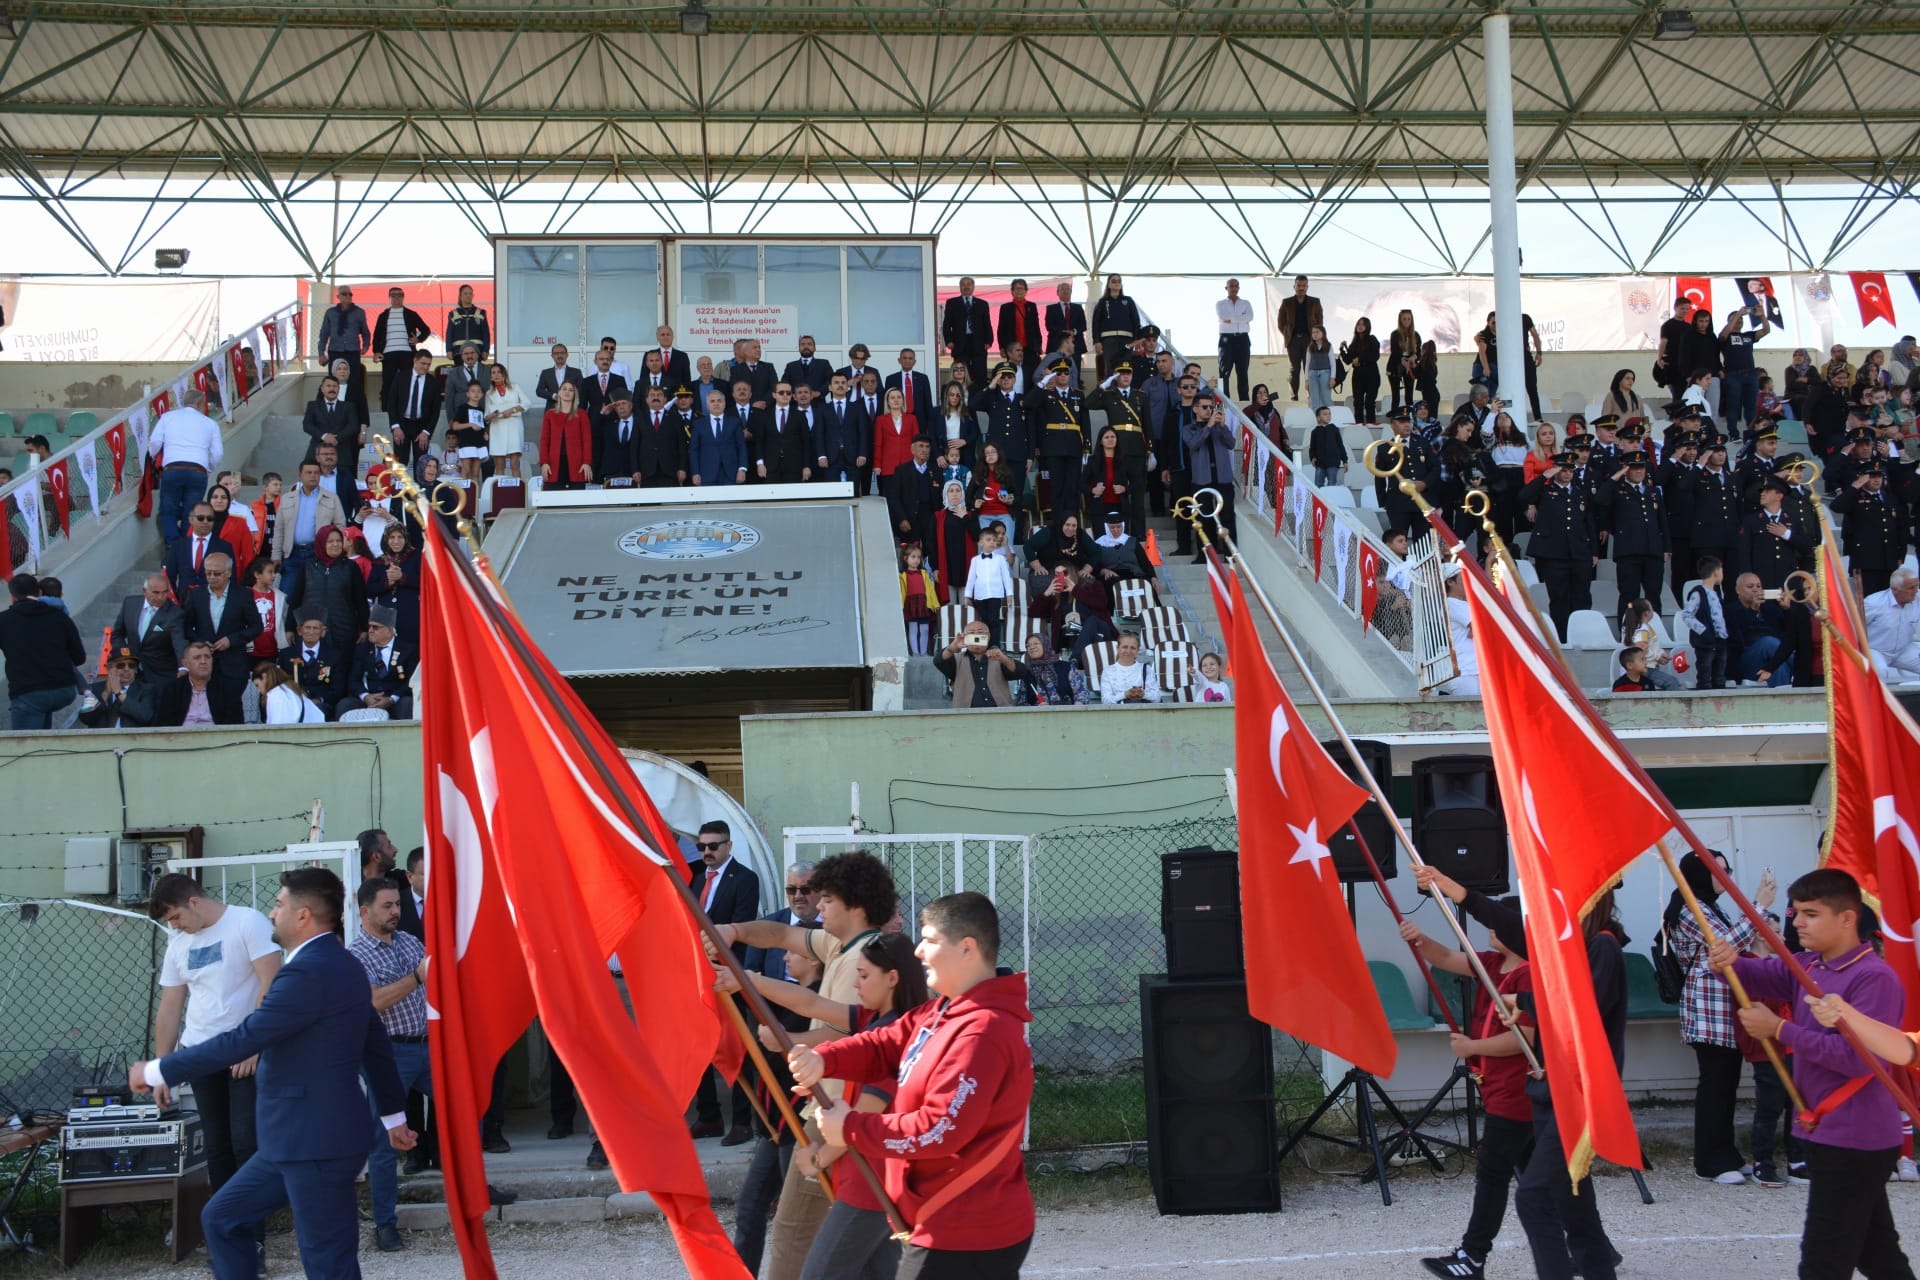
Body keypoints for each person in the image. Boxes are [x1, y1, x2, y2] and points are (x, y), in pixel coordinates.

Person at [129, 869, 412, 1280]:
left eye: (279, 904)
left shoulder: (309, 971)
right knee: (223, 1219)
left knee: (327, 1260)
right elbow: (376, 1045)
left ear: (302, 916)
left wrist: (159, 1068)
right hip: (291, 1141)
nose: (271, 911)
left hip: (316, 1143)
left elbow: (246, 1036)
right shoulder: (341, 964)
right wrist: (393, 1116)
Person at [794, 891, 1035, 1280]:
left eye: (930, 940)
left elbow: (940, 1129)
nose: (919, 952)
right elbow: (885, 1043)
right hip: (943, 1220)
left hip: (965, 1231)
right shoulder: (943, 1010)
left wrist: (852, 1128)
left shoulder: (982, 1031)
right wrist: (825, 1059)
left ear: (967, 948)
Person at [1709, 870, 1911, 1280]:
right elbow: (1754, 976)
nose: (1798, 922)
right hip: (1825, 1131)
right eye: (1796, 912)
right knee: (1877, 1255)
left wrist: (1780, 1030)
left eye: (1811, 913)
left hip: (1856, 1137)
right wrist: (1726, 962)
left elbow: (1859, 1060)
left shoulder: (1873, 977)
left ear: (1848, 919)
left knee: (1823, 1260)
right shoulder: (1808, 965)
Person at [712, 851, 899, 1280]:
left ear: (854, 905)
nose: (817, 907)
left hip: (838, 1108)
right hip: (832, 1108)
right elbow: (779, 934)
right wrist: (733, 930)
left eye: (827, 899)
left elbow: (852, 1036)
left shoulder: (863, 960)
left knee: (795, 1230)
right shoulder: (840, 943)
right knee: (868, 1246)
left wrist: (790, 1040)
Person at [147, 874, 281, 1266]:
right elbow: (170, 1008)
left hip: (244, 1052)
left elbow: (271, 983)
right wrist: (162, 1068)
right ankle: (228, 1239)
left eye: (174, 916)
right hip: (201, 1053)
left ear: (194, 902)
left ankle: (253, 1241)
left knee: (246, 1145)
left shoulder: (247, 922)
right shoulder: (178, 944)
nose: (173, 925)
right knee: (218, 1149)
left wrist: (255, 1043)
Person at [1403, 900, 1532, 1280]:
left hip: (1517, 1091)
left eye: (1499, 925)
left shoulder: (1530, 976)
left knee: (1493, 1174)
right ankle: (1592, 1247)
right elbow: (1444, 956)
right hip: (1498, 1089)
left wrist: (1472, 1048)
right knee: (1542, 1175)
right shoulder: (1493, 964)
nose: (1492, 930)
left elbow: (1523, 1039)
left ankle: (1472, 1256)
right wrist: (1419, 939)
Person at [1664, 850, 1775, 1182]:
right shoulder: (1689, 908)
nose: (1725, 875)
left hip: (1727, 1006)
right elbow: (1724, 945)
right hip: (1708, 1008)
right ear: (1698, 873)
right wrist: (1758, 906)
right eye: (1717, 869)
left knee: (1727, 1084)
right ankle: (1709, 1161)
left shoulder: (1711, 906)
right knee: (1715, 1084)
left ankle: (1726, 1153)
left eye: (1727, 868)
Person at [346, 876, 432, 1253]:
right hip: (388, 1055)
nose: (396, 911)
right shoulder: (354, 955)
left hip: (429, 1048)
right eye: (387, 906)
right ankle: (385, 1223)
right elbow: (374, 1002)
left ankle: (474, 1192)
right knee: (385, 1143)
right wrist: (416, 977)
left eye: (397, 904)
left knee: (465, 1109)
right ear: (364, 911)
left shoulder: (411, 942)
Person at [689, 820, 762, 1146]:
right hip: (697, 975)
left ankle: (743, 1121)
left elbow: (740, 926)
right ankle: (709, 1116)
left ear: (728, 846)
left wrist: (712, 958)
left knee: (737, 1047)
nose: (706, 852)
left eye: (713, 846)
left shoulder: (745, 879)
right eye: (702, 846)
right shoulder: (691, 875)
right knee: (700, 1047)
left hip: (727, 974)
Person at [0, 574, 84, 729]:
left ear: (13, 597)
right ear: (39, 592)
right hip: (63, 690)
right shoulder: (60, 617)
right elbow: (79, 658)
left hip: (28, 692)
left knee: (25, 750)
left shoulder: (4, 620)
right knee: (43, 743)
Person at [150, 389, 225, 550]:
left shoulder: (168, 418)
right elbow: (218, 453)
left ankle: (172, 544)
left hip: (173, 468)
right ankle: (187, 545)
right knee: (191, 511)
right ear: (200, 403)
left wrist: (153, 456)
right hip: (198, 471)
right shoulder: (210, 423)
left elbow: (155, 442)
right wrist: (208, 467)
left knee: (168, 509)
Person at [338, 602, 414, 720]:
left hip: (395, 699)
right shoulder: (362, 649)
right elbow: (353, 680)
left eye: (376, 627)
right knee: (345, 704)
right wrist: (365, 696)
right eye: (370, 626)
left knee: (408, 703)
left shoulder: (407, 650)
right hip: (370, 698)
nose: (371, 630)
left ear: (389, 630)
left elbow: (410, 681)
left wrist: (391, 699)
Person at [935, 619, 1024, 709]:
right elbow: (939, 661)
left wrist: (1003, 658)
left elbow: (1020, 672)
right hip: (965, 716)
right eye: (971, 633)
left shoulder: (999, 657)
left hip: (1000, 715)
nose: (976, 635)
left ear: (988, 636)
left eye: (981, 632)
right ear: (964, 636)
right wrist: (952, 647)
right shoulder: (956, 659)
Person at [964, 525, 1016, 649]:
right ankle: (983, 646)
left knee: (994, 620)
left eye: (994, 539)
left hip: (995, 594)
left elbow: (1006, 578)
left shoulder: (1000, 559)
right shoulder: (975, 560)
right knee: (984, 621)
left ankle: (995, 646)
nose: (992, 542)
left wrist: (1009, 594)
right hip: (980, 595)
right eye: (988, 540)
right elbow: (971, 579)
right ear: (981, 542)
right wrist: (967, 595)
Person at [1683, 557, 1730, 690]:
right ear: (1716, 572)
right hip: (1705, 640)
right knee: (1705, 669)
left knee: (1720, 671)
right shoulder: (1698, 593)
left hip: (1720, 639)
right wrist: (1703, 631)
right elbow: (1686, 614)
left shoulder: (1716, 594)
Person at [1865, 569, 1920, 682]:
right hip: (1875, 649)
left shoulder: (1917, 599)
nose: (1915, 591)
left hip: (1903, 649)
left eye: (1916, 586)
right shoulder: (1874, 603)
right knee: (1880, 671)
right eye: (1911, 588)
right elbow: (1853, 625)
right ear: (1895, 590)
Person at [943, 278, 993, 389]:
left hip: (978, 343)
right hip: (959, 343)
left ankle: (979, 399)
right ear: (959, 287)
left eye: (969, 284)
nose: (966, 287)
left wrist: (989, 340)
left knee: (980, 372)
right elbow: (946, 324)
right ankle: (961, 396)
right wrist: (949, 341)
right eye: (963, 284)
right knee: (961, 372)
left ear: (973, 287)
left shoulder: (982, 304)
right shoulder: (952, 303)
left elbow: (987, 324)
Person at [1090, 274, 1142, 380]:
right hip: (1108, 341)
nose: (1117, 283)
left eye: (1119, 281)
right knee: (1110, 368)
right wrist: (1097, 341)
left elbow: (1136, 321)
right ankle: (1111, 393)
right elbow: (1096, 323)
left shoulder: (1128, 301)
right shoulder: (1102, 302)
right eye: (1113, 281)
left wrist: (1137, 339)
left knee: (1126, 367)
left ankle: (1125, 392)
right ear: (1108, 284)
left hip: (1127, 340)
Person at [1015, 632, 1089, 706]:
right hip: (1040, 716)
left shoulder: (1066, 667)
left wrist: (1077, 706)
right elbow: (1021, 703)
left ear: (1045, 645)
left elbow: (1082, 693)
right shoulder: (1027, 674)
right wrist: (1036, 708)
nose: (1031, 647)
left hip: (1067, 713)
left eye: (1036, 643)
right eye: (1028, 646)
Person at [484, 362, 528, 480]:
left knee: (514, 464)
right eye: (493, 372)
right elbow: (486, 415)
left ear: (504, 374)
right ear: (491, 376)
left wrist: (512, 409)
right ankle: (499, 494)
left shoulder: (515, 387)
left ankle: (518, 492)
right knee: (499, 465)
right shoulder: (489, 393)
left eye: (499, 372)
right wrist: (492, 415)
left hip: (514, 426)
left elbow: (527, 403)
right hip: (498, 428)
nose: (496, 375)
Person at [1214, 277, 1254, 401]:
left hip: (1242, 338)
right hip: (1227, 339)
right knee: (1224, 371)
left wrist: (1232, 319)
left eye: (1236, 286)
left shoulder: (1246, 303)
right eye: (1231, 286)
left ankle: (1244, 401)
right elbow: (1223, 316)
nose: (1234, 288)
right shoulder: (1220, 303)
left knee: (1243, 371)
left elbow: (1250, 317)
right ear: (1226, 288)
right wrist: (1241, 317)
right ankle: (1224, 401)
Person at [1100, 630, 1160, 704]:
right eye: (1125, 647)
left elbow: (1157, 697)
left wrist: (1143, 694)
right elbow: (1105, 701)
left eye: (1132, 648)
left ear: (1138, 650)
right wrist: (1125, 694)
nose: (1128, 651)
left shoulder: (1146, 669)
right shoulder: (1108, 671)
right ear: (1118, 648)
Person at [901, 546, 939, 655]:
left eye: (918, 557)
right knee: (913, 630)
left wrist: (935, 604)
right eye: (913, 557)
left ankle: (923, 652)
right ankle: (915, 652)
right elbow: (902, 592)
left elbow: (931, 591)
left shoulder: (924, 573)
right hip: (911, 605)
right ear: (905, 558)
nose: (916, 560)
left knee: (924, 629)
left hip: (923, 604)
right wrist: (901, 606)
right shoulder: (902, 575)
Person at [445, 283, 489, 359]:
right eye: (465, 294)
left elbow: (486, 333)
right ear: (460, 296)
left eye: (470, 293)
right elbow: (449, 334)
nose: (468, 296)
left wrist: (485, 350)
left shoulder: (481, 313)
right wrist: (449, 350)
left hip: (476, 351)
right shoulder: (453, 314)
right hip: (458, 352)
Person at [1308, 404, 1345, 488]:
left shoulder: (1334, 429)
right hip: (1320, 463)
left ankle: (1330, 500)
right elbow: (1312, 447)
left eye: (1329, 414)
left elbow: (1340, 445)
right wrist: (1312, 457)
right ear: (1318, 418)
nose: (1328, 416)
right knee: (1318, 484)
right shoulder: (1315, 432)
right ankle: (1319, 501)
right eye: (1325, 414)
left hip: (1333, 462)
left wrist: (1345, 460)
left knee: (1332, 483)